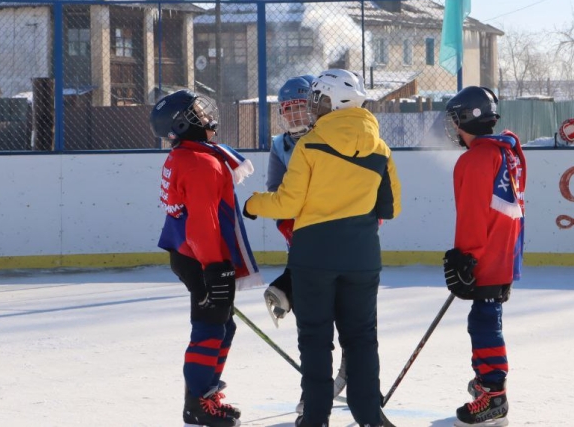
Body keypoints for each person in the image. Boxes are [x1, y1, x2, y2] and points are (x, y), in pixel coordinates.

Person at [244, 69, 402, 427]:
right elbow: (391, 208)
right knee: (361, 338)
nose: (311, 107)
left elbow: (287, 203)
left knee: (315, 339)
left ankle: (315, 417)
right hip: (362, 259)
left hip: (313, 258)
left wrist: (253, 203)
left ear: (331, 102)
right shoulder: (380, 148)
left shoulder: (310, 145)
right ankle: (369, 417)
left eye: (316, 99)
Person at [150, 89, 261, 427]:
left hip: (191, 255)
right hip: (201, 258)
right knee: (210, 330)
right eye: (197, 112)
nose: (206, 115)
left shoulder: (190, 155)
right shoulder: (200, 162)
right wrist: (216, 270)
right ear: (183, 125)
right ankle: (198, 405)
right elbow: (202, 223)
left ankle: (205, 394)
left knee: (222, 327)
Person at [263, 76, 349, 410]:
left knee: (345, 311)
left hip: (337, 239)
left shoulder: (329, 139)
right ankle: (316, 386)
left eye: (299, 107)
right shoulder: (279, 145)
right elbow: (275, 194)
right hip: (301, 242)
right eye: (287, 110)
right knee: (313, 322)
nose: (294, 116)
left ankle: (352, 365)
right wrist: (292, 233)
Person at [442, 86, 526, 427]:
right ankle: (487, 384)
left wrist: (465, 257)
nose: (453, 129)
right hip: (504, 251)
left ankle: (494, 396)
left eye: (455, 121)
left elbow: (473, 214)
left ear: (467, 119)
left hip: (487, 254)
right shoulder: (506, 150)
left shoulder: (475, 158)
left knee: (484, 322)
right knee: (486, 317)